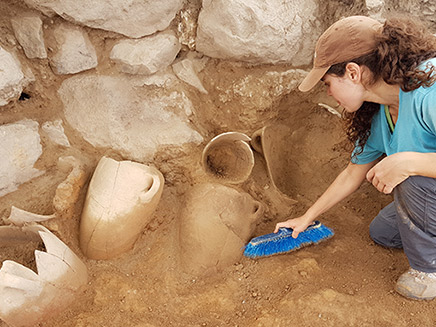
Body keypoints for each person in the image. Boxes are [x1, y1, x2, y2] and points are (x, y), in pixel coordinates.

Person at [274, 15, 436, 300]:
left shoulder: (429, 88)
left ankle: (427, 273)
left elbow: (407, 168)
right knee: (383, 231)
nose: (327, 93)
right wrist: (306, 218)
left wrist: (406, 162)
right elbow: (352, 172)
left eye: (327, 83)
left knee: (410, 179)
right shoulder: (382, 114)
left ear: (352, 72)